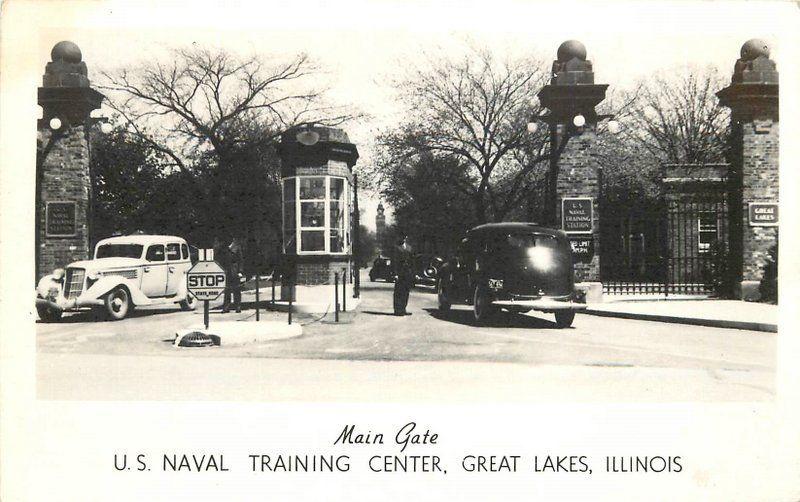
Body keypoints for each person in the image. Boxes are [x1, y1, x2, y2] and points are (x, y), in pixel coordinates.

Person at [392, 235, 415, 316]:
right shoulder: (396, 248)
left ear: (406, 238)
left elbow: (412, 262)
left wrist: (414, 273)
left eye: (404, 237)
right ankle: (397, 310)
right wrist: (395, 274)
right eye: (401, 237)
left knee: (406, 291)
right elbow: (394, 262)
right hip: (400, 273)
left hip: (408, 273)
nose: (403, 239)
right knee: (398, 292)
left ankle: (403, 308)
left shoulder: (409, 248)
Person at [222, 237, 244, 313]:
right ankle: (226, 307)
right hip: (227, 271)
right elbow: (222, 260)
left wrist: (240, 271)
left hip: (235, 271)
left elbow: (240, 260)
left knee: (236, 289)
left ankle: (238, 306)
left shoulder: (237, 248)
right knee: (227, 290)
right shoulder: (225, 248)